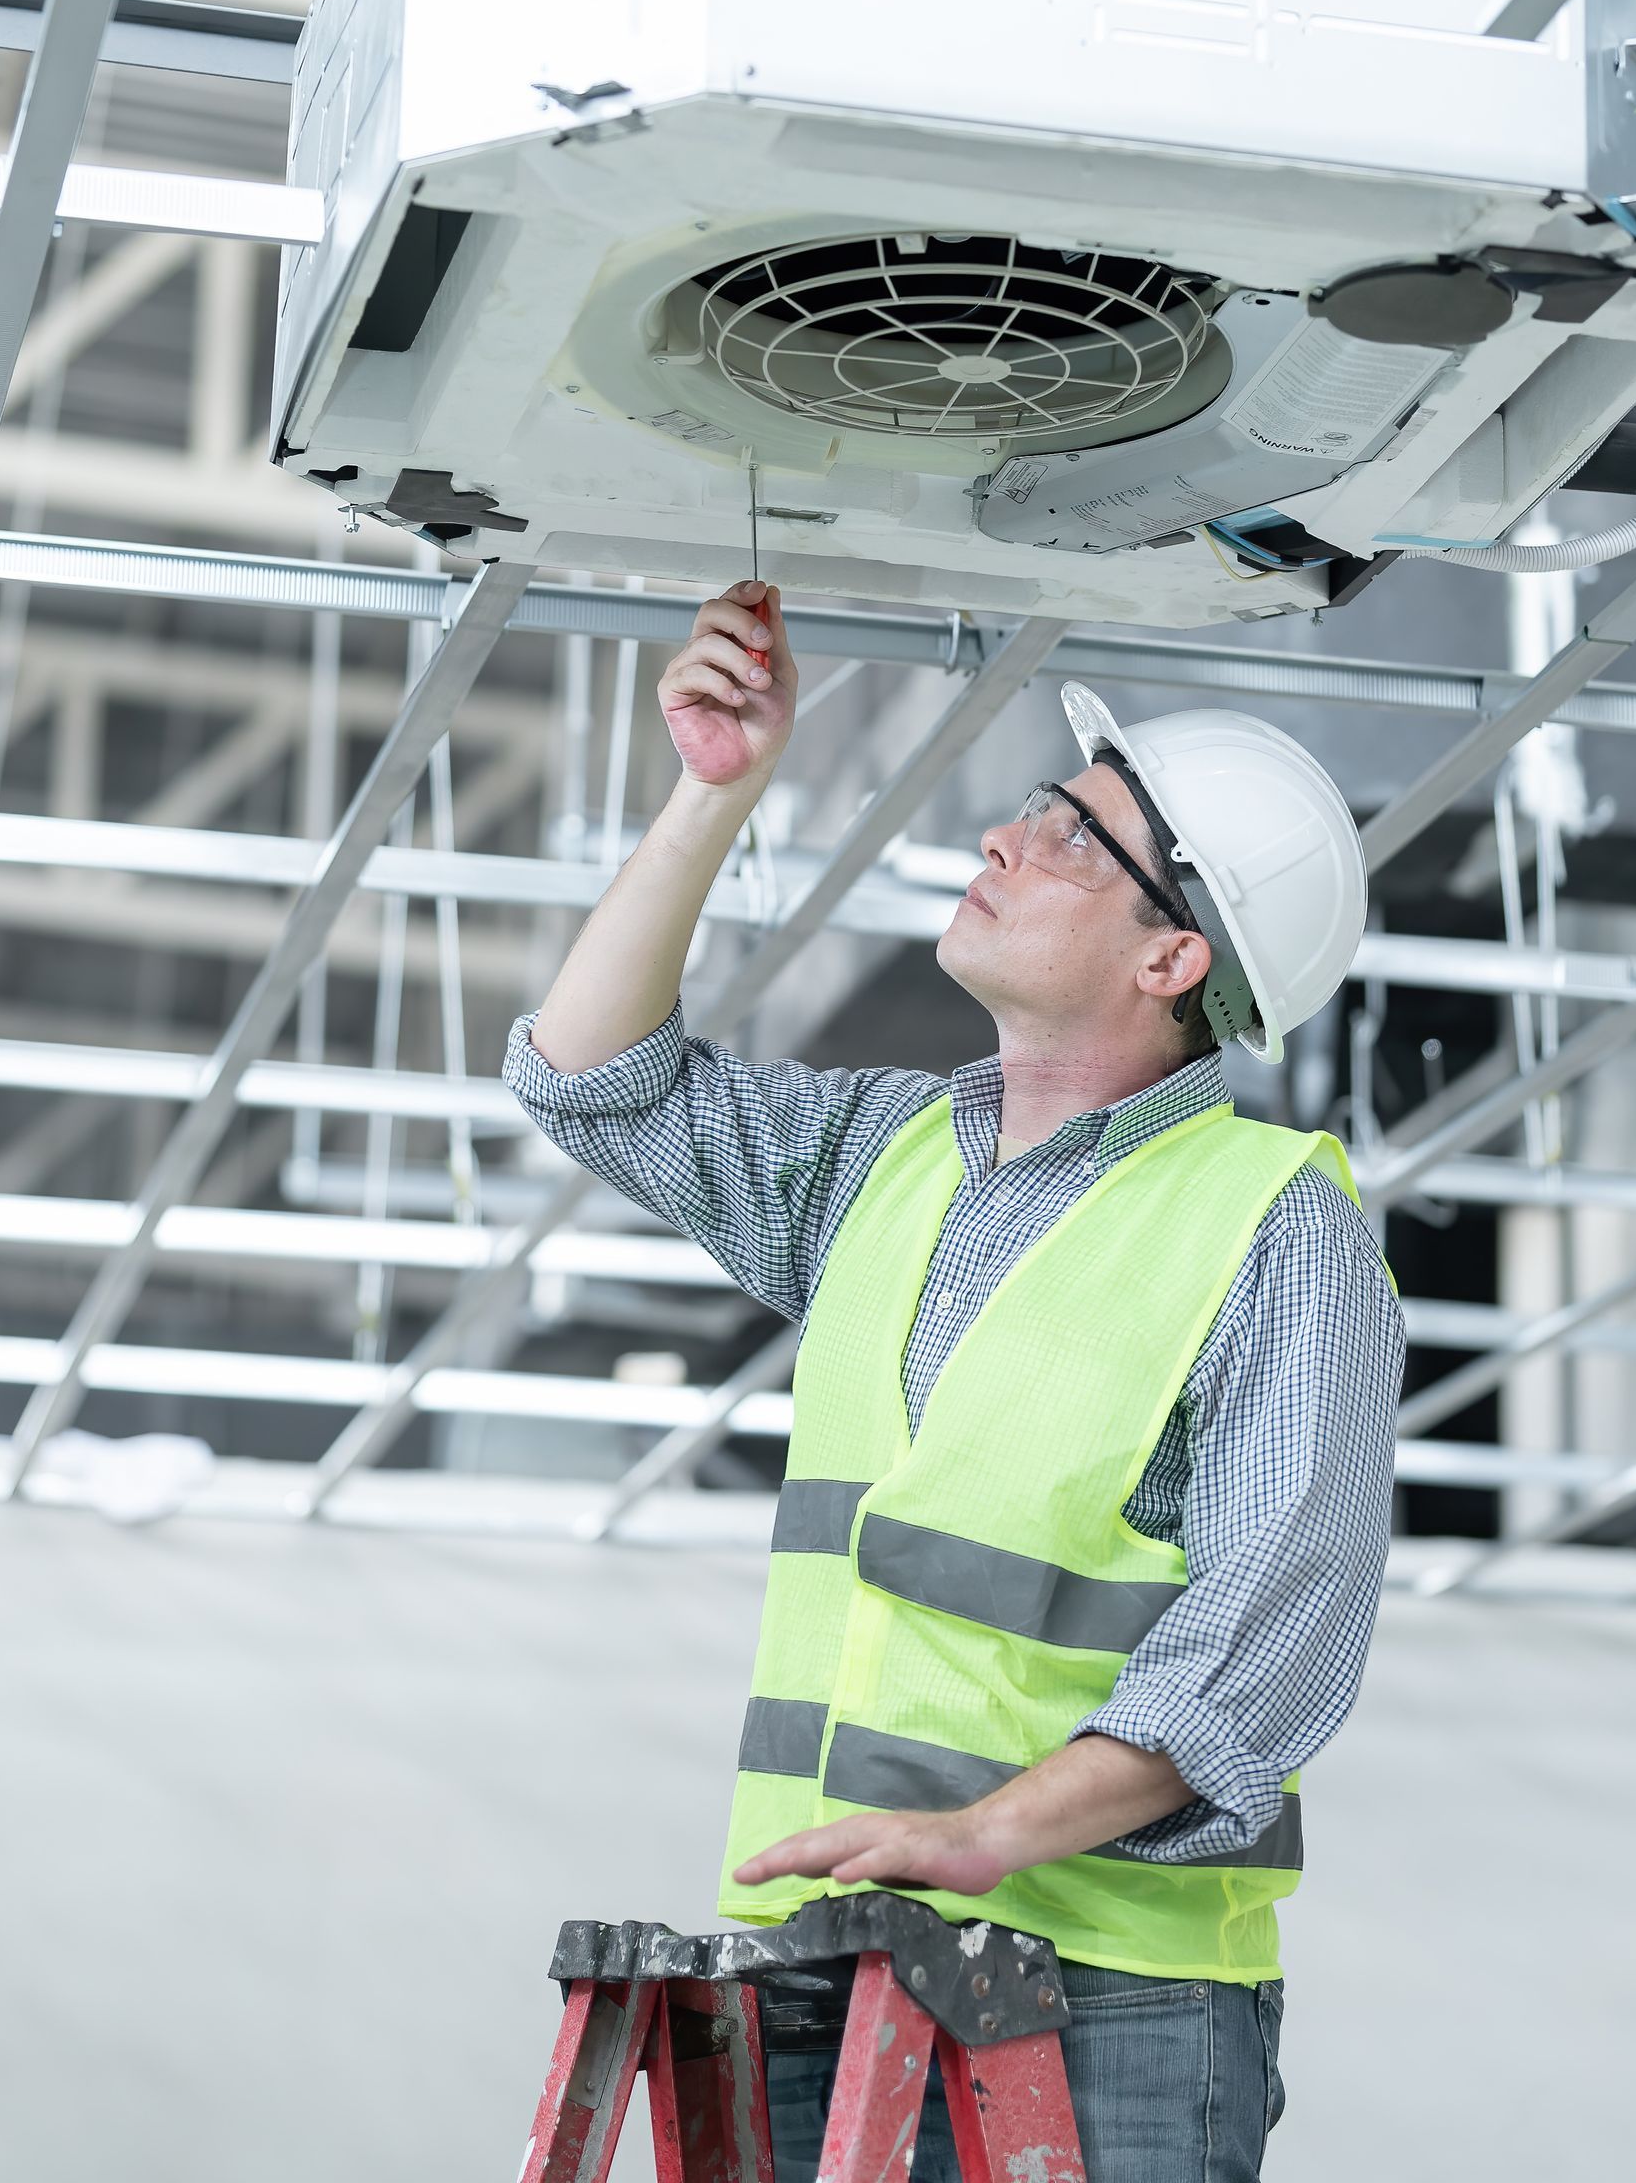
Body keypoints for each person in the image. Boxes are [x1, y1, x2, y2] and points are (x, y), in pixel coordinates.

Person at [509, 578, 1404, 2183]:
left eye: (1072, 835)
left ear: (1173, 955)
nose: (1005, 837)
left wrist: (984, 1839)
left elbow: (1268, 1646)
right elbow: (595, 1085)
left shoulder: (1275, 1227)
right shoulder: (885, 1158)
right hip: (823, 1955)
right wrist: (716, 796)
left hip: (1110, 1992)